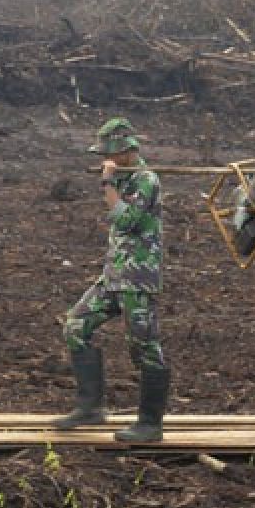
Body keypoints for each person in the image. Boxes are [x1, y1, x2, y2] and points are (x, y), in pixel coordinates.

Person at [56, 118, 170, 443]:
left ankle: (150, 423)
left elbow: (126, 218)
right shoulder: (126, 178)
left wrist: (107, 184)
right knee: (76, 326)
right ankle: (90, 408)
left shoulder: (146, 181)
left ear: (125, 150)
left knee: (143, 345)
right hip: (114, 275)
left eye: (110, 154)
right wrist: (113, 181)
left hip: (138, 278)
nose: (105, 160)